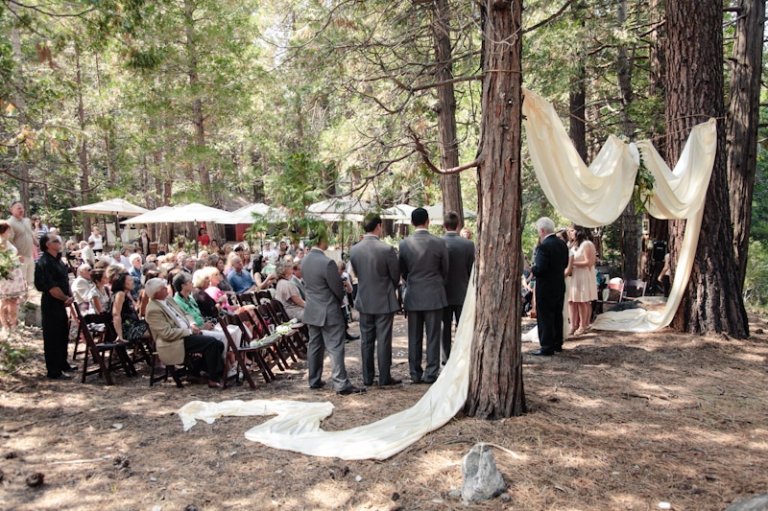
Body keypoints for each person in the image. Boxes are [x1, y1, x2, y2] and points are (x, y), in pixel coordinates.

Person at [302, 234, 365, 395]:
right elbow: (337, 288)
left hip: (312, 309)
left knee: (315, 345)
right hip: (328, 309)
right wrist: (340, 299)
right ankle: (341, 383)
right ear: (320, 240)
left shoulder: (305, 260)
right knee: (335, 346)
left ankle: (314, 379)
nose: (327, 241)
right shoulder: (327, 262)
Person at [398, 207, 449, 384]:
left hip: (413, 293)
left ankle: (414, 373)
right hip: (434, 293)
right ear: (428, 221)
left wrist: (411, 280)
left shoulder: (404, 244)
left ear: (412, 223)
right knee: (433, 336)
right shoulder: (439, 242)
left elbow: (402, 271)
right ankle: (431, 373)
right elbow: (445, 269)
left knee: (414, 336)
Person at [349, 215, 401, 387]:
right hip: (384, 299)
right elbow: (395, 275)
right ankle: (384, 376)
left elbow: (356, 273)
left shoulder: (355, 250)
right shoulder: (386, 249)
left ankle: (367, 377)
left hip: (364, 298)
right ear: (379, 226)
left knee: (366, 340)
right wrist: (390, 287)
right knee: (384, 340)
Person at [143, 278, 224, 388]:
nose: (167, 289)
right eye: (164, 288)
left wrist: (192, 324)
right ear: (157, 294)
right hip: (175, 340)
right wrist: (189, 331)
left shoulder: (168, 299)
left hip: (188, 332)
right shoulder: (153, 310)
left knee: (219, 343)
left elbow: (186, 314)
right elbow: (167, 333)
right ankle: (213, 378)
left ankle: (194, 372)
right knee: (211, 343)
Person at [172, 272, 238, 377]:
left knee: (234, 331)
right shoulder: (177, 302)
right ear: (183, 286)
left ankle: (234, 363)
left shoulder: (190, 298)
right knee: (224, 336)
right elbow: (185, 323)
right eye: (189, 282)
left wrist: (207, 323)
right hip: (194, 331)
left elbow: (199, 314)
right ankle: (227, 367)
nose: (192, 283)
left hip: (204, 326)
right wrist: (202, 327)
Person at [34, 233, 76, 379]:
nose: (60, 242)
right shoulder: (44, 262)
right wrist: (65, 298)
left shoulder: (58, 261)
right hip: (51, 302)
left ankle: (62, 363)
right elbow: (52, 287)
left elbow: (64, 280)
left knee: (62, 333)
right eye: (56, 241)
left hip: (61, 301)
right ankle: (54, 370)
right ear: (48, 245)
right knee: (53, 336)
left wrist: (69, 297)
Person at [530, 217, 569, 356]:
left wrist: (532, 269)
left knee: (545, 316)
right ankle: (557, 343)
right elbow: (565, 263)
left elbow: (540, 268)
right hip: (559, 283)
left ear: (541, 230)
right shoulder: (562, 244)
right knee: (557, 314)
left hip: (546, 286)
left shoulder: (544, 246)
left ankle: (546, 346)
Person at [441, 211, 475, 365]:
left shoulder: (438, 242)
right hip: (462, 290)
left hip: (443, 291)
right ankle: (462, 355)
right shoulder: (468, 244)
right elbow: (471, 268)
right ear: (459, 225)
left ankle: (445, 358)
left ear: (443, 226)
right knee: (462, 327)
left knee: (444, 327)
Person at [0, 220, 28, 338]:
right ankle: (6, 325)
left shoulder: (7, 241)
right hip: (8, 275)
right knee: (6, 300)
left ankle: (12, 324)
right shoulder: (1, 242)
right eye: (8, 229)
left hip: (15, 275)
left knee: (13, 300)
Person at [568, 225, 598, 335]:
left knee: (582, 300)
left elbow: (589, 262)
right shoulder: (571, 245)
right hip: (573, 275)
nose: (570, 233)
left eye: (572, 231)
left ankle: (583, 325)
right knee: (572, 300)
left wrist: (572, 263)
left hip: (583, 275)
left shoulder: (587, 244)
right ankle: (573, 325)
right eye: (569, 231)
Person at [109, 272, 148, 344]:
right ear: (122, 283)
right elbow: (115, 314)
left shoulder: (125, 294)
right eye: (129, 280)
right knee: (157, 330)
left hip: (134, 325)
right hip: (128, 328)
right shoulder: (120, 294)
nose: (132, 282)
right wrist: (119, 335)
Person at [8, 201, 36, 289]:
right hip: (20, 256)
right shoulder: (10, 223)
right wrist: (18, 254)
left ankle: (28, 298)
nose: (21, 210)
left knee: (30, 279)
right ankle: (22, 300)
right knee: (21, 279)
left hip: (30, 254)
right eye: (18, 208)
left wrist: (39, 245)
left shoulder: (27, 221)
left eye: (22, 208)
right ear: (11, 210)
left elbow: (31, 235)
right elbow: (10, 240)